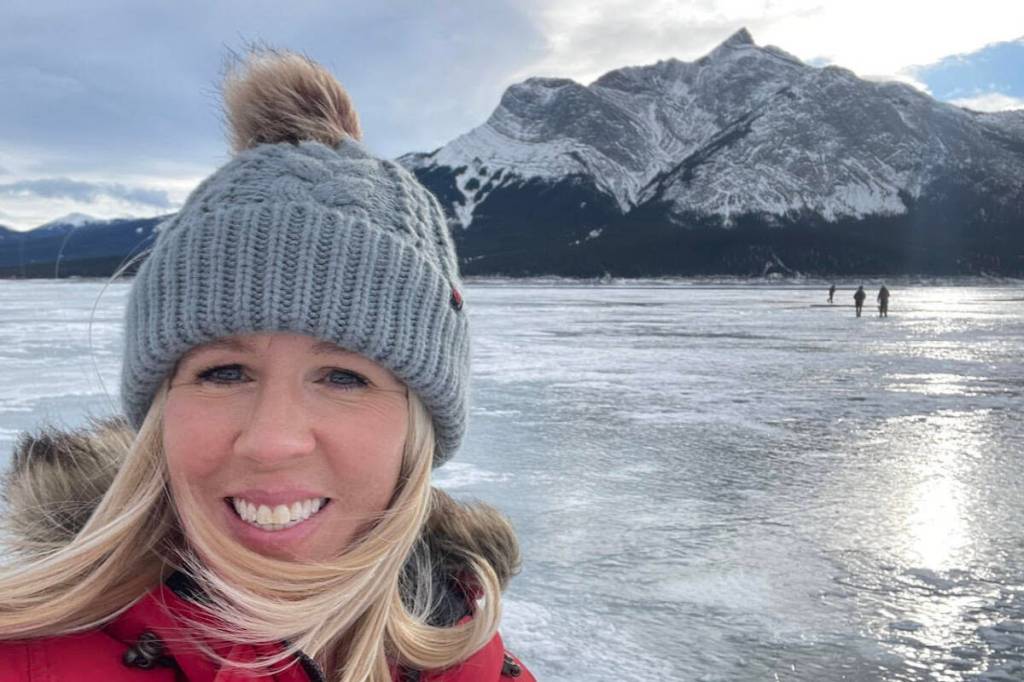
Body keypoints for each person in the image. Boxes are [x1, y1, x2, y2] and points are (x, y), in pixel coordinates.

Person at [0, 48, 533, 682]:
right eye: (224, 372)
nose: (272, 442)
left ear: (417, 428)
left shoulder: (476, 663)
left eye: (343, 377)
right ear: (160, 410)